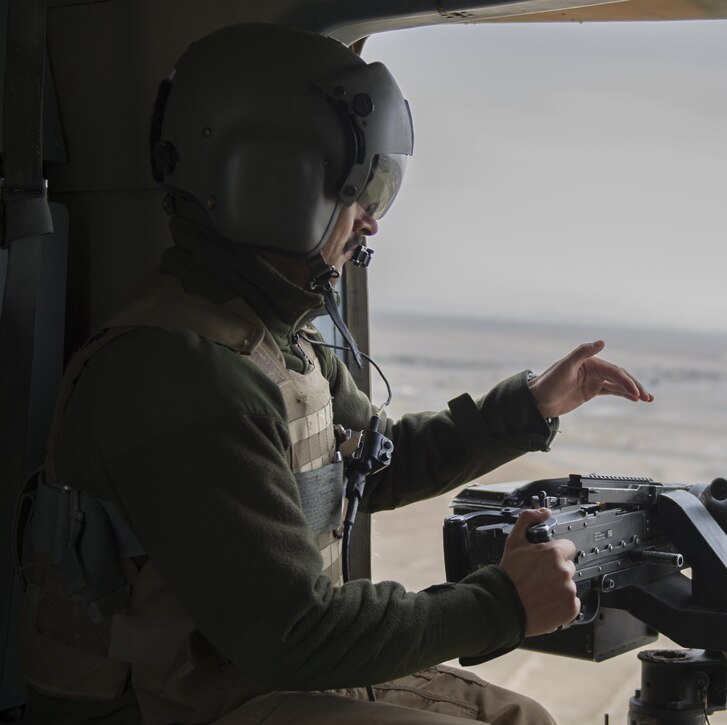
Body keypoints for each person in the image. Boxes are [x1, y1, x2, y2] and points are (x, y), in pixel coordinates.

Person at [18, 22, 652, 725]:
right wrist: (501, 603)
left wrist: (529, 407)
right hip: (173, 706)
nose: (372, 222)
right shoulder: (176, 371)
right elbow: (297, 631)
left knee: (523, 716)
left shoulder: (274, 341)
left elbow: (374, 462)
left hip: (246, 681)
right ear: (272, 180)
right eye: (363, 190)